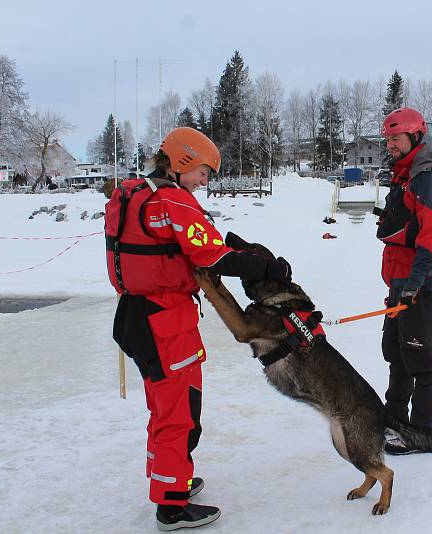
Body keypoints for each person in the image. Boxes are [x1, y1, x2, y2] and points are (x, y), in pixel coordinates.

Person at [105, 127, 292, 530]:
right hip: (165, 320)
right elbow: (214, 255)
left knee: (161, 406)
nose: (205, 182)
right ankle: (171, 505)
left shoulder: (132, 193)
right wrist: (270, 268)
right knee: (180, 412)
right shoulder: (173, 200)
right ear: (183, 160)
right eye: (204, 172)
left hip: (135, 316)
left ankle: (168, 480)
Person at [376, 107, 432, 453]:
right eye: (388, 139)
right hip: (401, 278)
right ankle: (394, 421)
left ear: (415, 136)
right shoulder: (405, 173)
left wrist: (414, 283)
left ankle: (421, 431)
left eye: (396, 138)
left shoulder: (427, 175)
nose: (391, 144)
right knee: (395, 352)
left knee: (420, 358)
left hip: (420, 281)